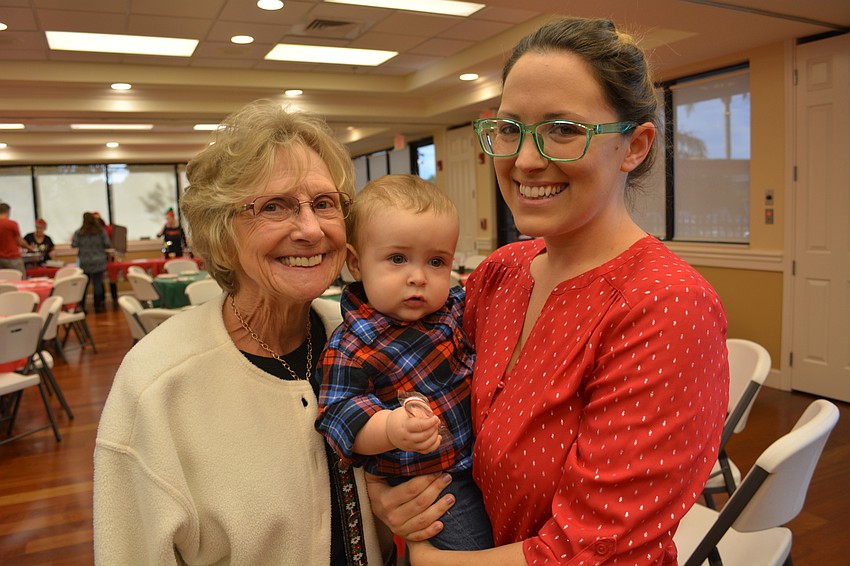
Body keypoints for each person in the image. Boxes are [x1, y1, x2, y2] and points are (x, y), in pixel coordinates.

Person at [366, 17, 729, 566]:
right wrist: (390, 493)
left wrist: (430, 558)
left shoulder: (665, 306)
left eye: (563, 129)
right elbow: (409, 379)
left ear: (633, 146)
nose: (525, 160)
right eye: (509, 129)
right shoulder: (502, 273)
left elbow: (597, 547)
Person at [93, 99, 391, 565]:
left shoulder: (367, 339)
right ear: (222, 233)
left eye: (324, 204)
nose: (311, 229)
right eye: (274, 206)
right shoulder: (157, 385)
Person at [315, 174, 493, 552]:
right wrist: (391, 428)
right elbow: (340, 417)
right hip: (432, 483)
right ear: (356, 263)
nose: (418, 277)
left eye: (436, 261)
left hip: (481, 459)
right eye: (397, 259)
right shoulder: (352, 346)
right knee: (473, 549)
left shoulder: (452, 310)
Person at [71, 212, 112, 313]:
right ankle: (98, 307)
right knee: (97, 283)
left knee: (84, 284)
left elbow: (74, 244)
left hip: (85, 261)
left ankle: (82, 307)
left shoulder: (79, 232)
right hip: (99, 260)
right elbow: (107, 244)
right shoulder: (101, 232)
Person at [0, 202, 35, 275]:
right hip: (13, 258)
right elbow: (20, 241)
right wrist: (29, 248)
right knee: (19, 278)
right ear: (8, 211)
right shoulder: (12, 224)